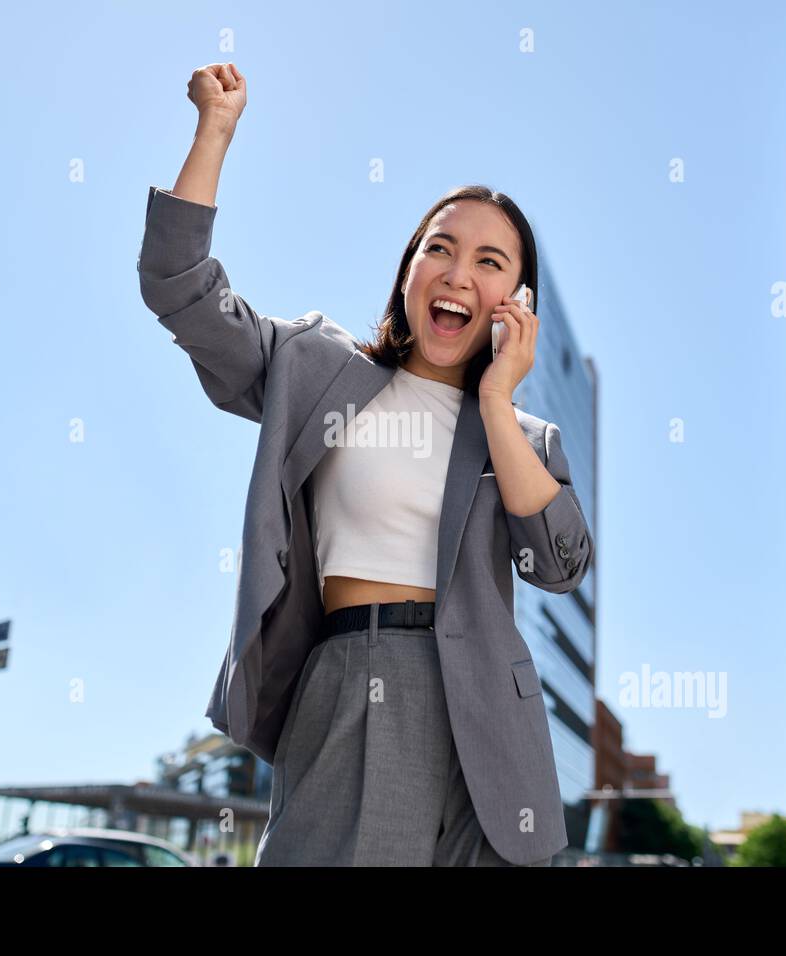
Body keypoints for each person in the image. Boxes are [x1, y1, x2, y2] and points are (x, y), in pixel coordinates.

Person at [138, 63, 592, 866]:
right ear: (409, 269)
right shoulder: (316, 368)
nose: (459, 273)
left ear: (518, 302)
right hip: (356, 676)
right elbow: (180, 290)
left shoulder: (525, 436)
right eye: (440, 249)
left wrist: (494, 404)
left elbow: (559, 565)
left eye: (491, 263)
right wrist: (215, 130)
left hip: (492, 720)